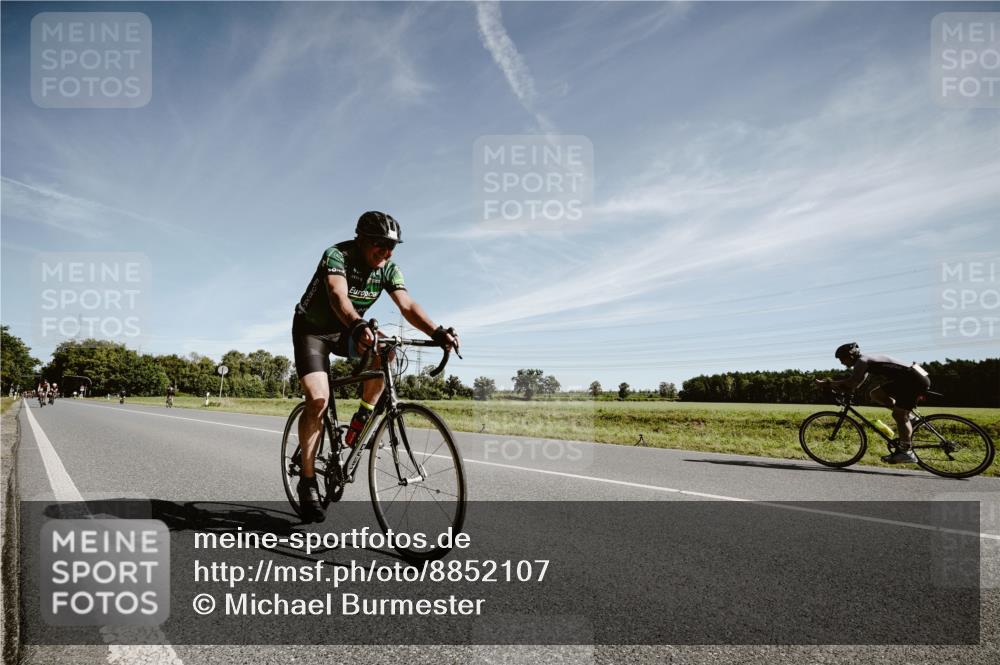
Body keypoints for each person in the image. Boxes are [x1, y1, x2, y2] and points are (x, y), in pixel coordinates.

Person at [292, 211, 458, 522]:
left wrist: (436, 332)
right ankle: (308, 480)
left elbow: (407, 305)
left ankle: (362, 417)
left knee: (388, 350)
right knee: (317, 399)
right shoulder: (337, 255)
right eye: (380, 244)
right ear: (362, 241)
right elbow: (337, 295)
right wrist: (357, 324)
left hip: (348, 329)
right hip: (313, 330)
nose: (387, 252)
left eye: (392, 246)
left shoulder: (389, 269)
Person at [817, 342, 931, 464]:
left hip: (912, 380)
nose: (841, 363)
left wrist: (828, 383)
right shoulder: (865, 362)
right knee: (876, 394)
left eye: (841, 359)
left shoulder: (862, 361)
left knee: (899, 415)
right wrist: (841, 390)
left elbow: (852, 382)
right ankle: (912, 419)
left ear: (850, 355)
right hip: (909, 377)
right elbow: (855, 384)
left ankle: (906, 452)